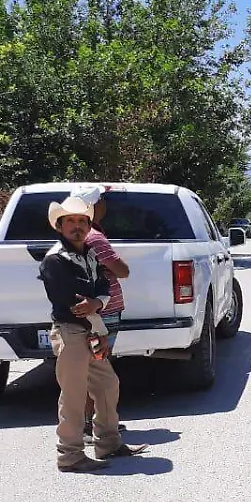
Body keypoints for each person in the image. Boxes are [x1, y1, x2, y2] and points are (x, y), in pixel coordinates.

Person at [40, 197, 148, 473]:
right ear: (60, 226)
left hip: (91, 329)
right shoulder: (55, 260)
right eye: (70, 222)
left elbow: (104, 285)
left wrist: (96, 304)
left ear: (89, 226)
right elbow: (67, 299)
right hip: (71, 332)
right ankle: (69, 455)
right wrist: (94, 304)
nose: (76, 227)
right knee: (74, 394)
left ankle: (108, 443)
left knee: (108, 384)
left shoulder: (89, 253)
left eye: (81, 221)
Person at [72, 185, 130, 443]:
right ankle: (93, 426)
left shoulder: (74, 235)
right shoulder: (94, 236)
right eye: (101, 200)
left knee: (92, 367)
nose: (105, 205)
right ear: (93, 207)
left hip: (88, 311)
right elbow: (121, 270)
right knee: (98, 369)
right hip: (102, 314)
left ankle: (95, 422)